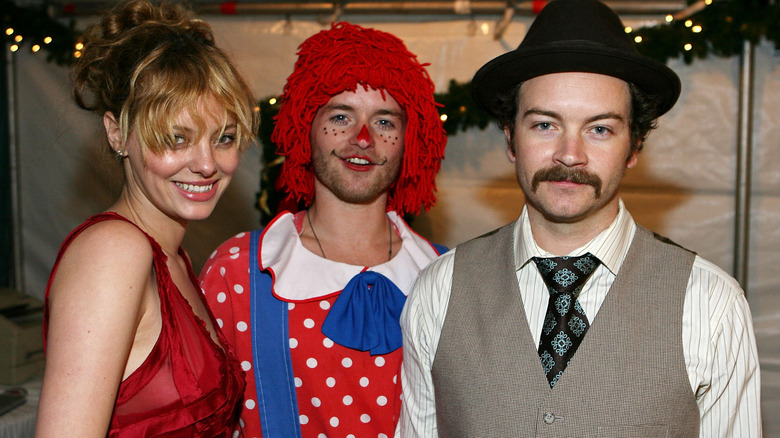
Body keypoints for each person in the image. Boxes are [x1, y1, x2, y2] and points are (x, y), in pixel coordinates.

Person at [399, 0, 762, 436]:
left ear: (634, 146)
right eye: (545, 125)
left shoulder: (711, 305)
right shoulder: (439, 291)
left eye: (600, 129)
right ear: (511, 138)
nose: (570, 154)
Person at [199, 22, 448, 437]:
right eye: (340, 116)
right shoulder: (237, 272)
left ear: (410, 141)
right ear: (304, 128)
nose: (363, 138)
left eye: (385, 121)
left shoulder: (447, 276)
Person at [35, 1, 259, 436]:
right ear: (117, 132)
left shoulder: (172, 257)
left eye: (224, 137)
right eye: (177, 137)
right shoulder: (114, 252)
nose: (207, 164)